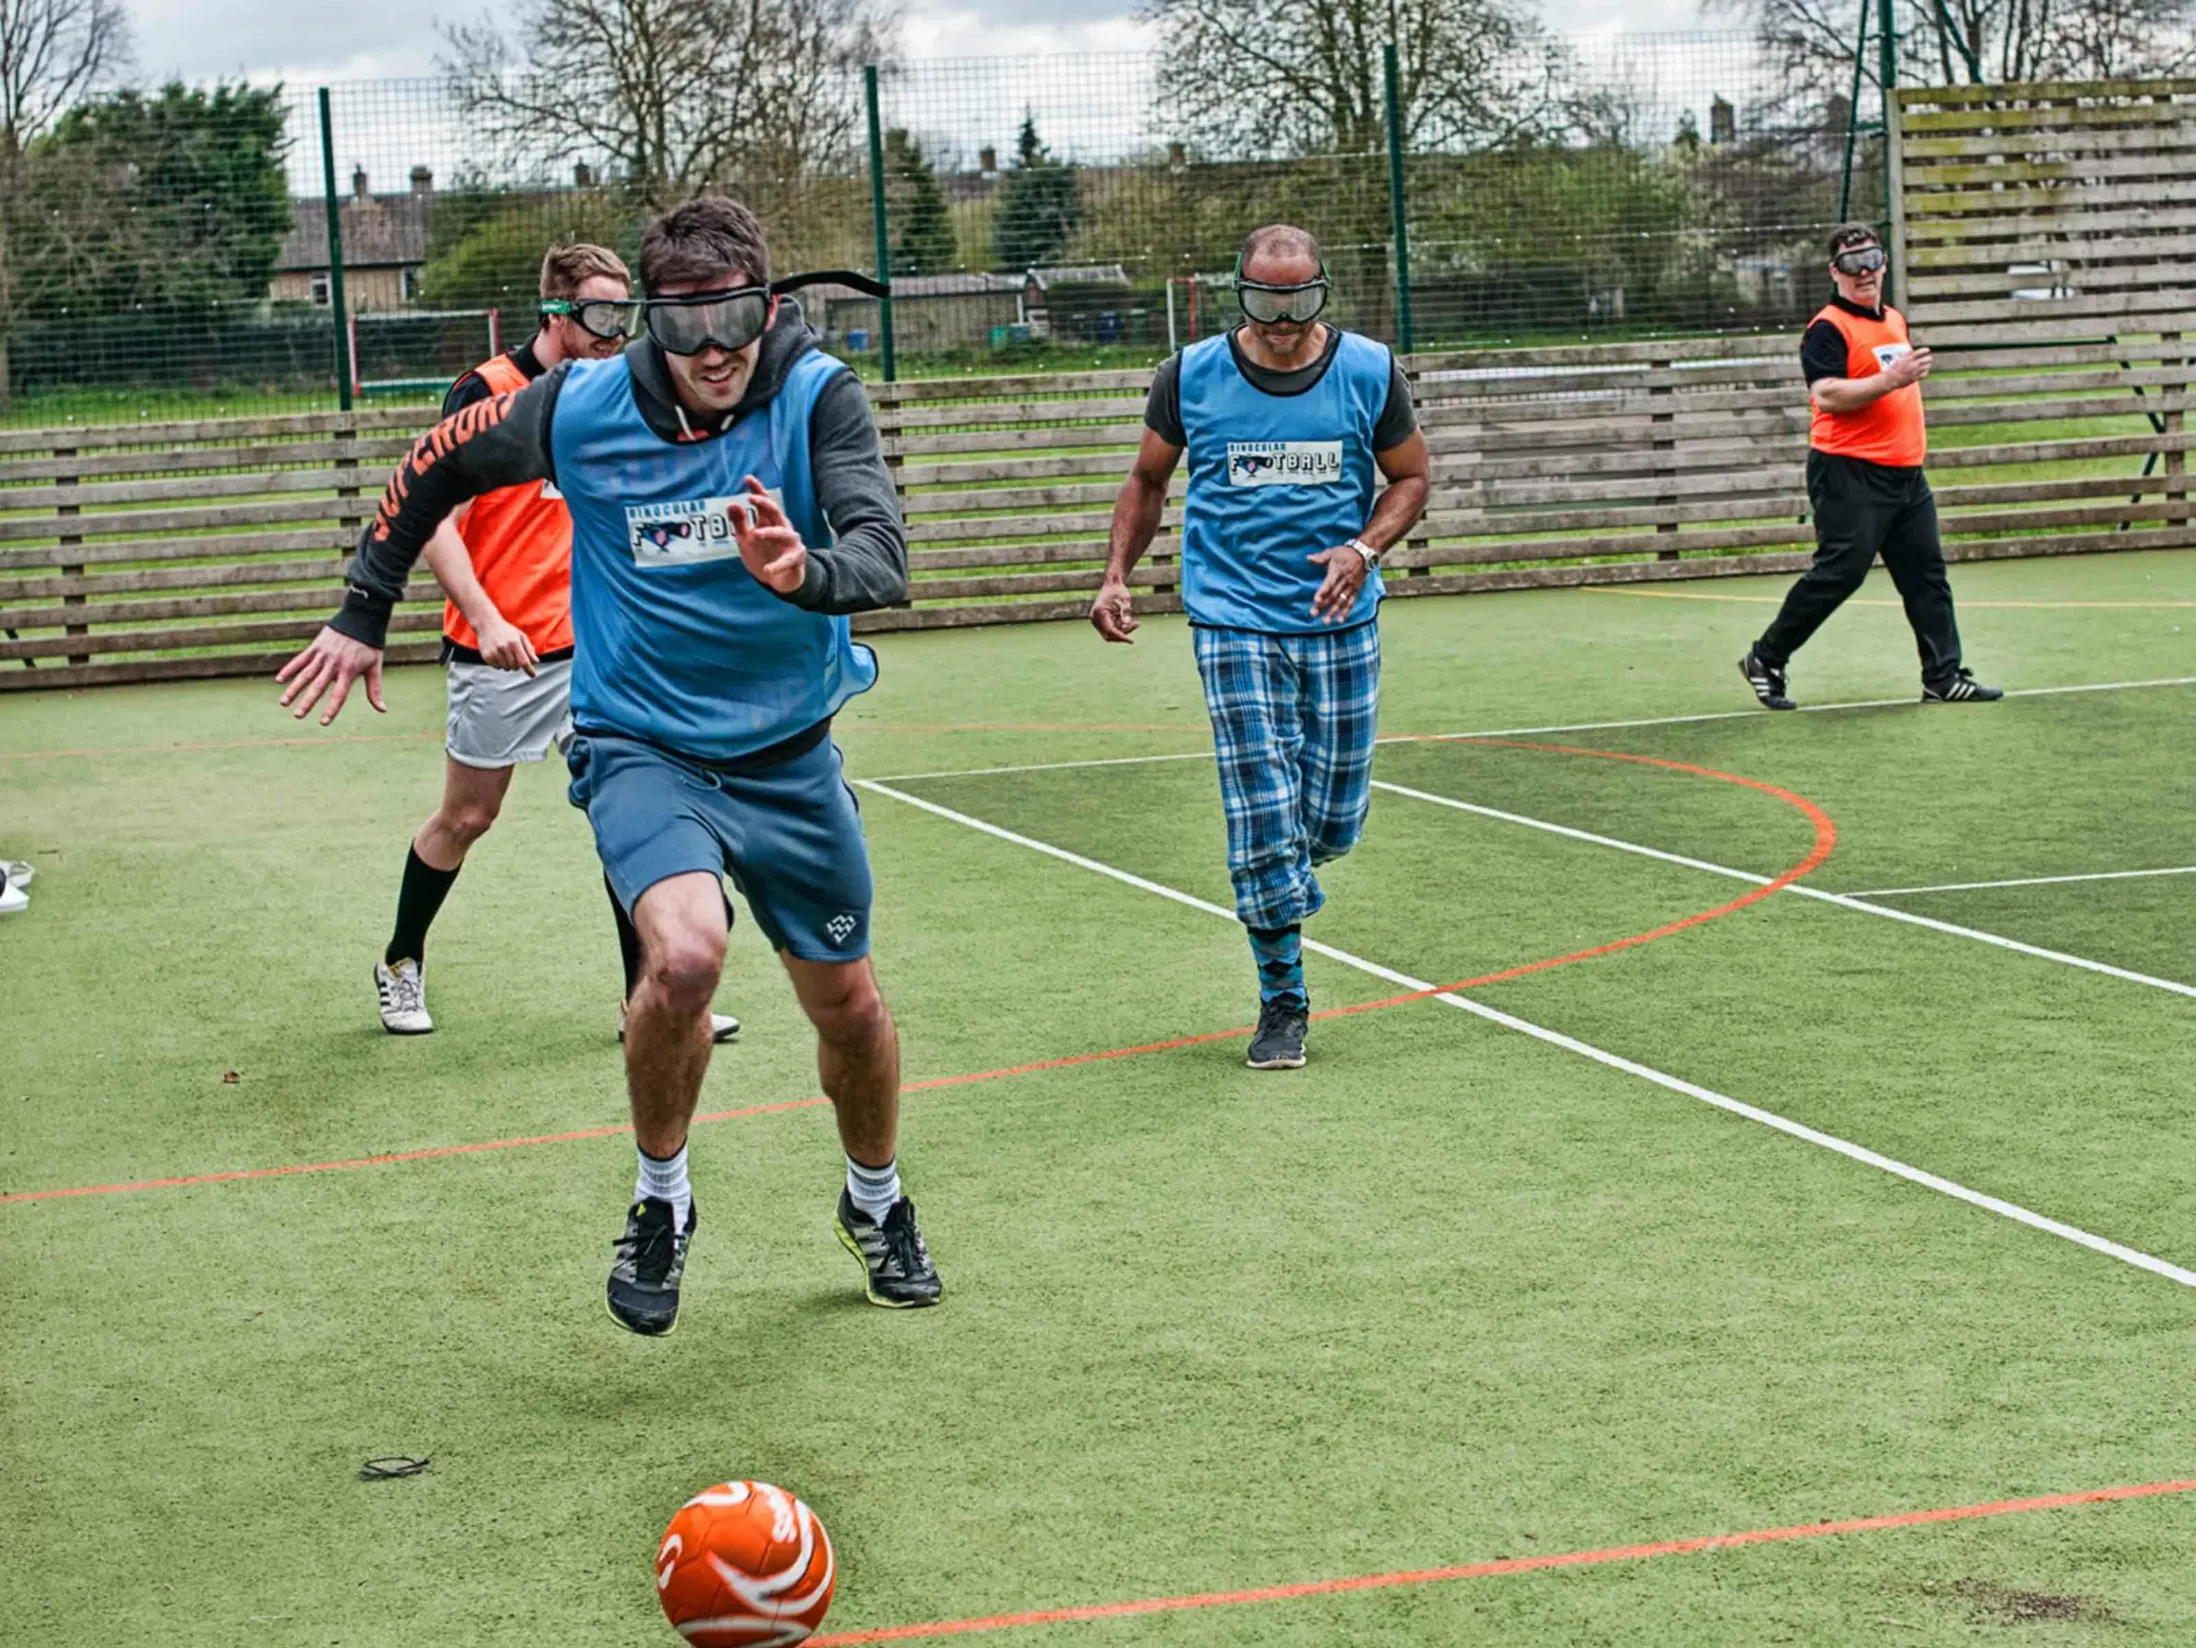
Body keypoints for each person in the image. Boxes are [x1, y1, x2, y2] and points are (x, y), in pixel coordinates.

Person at [277, 196, 940, 1334]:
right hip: (642, 744)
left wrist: (806, 573)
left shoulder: (819, 394)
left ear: (767, 305)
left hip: (790, 754)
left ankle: (875, 1202)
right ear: (647, 320)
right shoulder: (579, 407)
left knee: (850, 1008)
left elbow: (883, 553)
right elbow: (429, 465)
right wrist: (361, 610)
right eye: (684, 325)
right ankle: (661, 1199)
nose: (714, 350)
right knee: (683, 956)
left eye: (734, 320)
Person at [371, 243, 740, 1047]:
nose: (615, 332)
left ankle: (648, 997)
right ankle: (401, 959)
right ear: (555, 314)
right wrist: (487, 618)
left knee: (628, 816)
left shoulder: (612, 391)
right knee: (468, 816)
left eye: (624, 315)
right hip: (499, 653)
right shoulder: (486, 393)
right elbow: (432, 522)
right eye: (600, 315)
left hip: (597, 653)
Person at [1091, 224, 1430, 1070]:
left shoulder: (1370, 371)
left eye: (1299, 303)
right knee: (1261, 814)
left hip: (1339, 619)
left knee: (1331, 823)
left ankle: (1285, 867)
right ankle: (1283, 998)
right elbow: (1147, 479)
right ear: (1240, 292)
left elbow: (1411, 477)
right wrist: (1116, 575)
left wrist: (1364, 550)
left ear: (1322, 292)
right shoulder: (1189, 375)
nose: (1282, 324)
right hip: (1231, 617)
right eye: (1264, 304)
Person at [1740, 223, 2003, 709]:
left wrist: (1896, 384)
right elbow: (1827, 395)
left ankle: (1943, 676)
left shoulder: (1893, 320)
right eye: (1851, 263)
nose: (1864, 272)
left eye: (1871, 259)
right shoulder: (1827, 328)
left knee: (1926, 574)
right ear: (1834, 272)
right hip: (1848, 472)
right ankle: (1766, 658)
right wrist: (1891, 379)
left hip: (1906, 476)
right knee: (1840, 573)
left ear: (1884, 263)